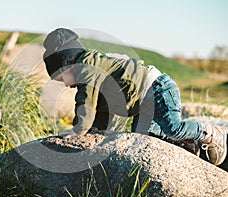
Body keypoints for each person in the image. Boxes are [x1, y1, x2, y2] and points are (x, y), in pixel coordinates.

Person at [42, 28, 227, 166]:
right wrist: (97, 129)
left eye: (61, 78)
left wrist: (78, 130)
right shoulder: (91, 71)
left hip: (156, 89)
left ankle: (208, 133)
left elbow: (86, 102)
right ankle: (190, 144)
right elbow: (100, 106)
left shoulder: (86, 67)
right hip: (143, 103)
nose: (66, 85)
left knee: (172, 127)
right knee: (145, 139)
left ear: (67, 64)